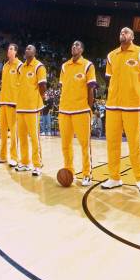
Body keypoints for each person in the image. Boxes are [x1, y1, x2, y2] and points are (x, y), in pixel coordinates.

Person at [101, 27, 140, 191]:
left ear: (132, 36)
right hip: (113, 105)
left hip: (133, 106)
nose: (123, 33)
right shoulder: (111, 55)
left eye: (126, 32)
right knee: (112, 143)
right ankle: (114, 177)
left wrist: (139, 97)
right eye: (121, 32)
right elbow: (110, 80)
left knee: (135, 143)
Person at [58, 41, 97, 187]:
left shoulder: (88, 65)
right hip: (64, 110)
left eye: (77, 45)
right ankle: (69, 171)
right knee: (65, 145)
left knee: (84, 145)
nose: (74, 47)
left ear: (82, 49)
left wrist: (88, 108)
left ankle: (87, 174)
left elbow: (91, 90)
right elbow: (63, 88)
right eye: (73, 45)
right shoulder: (64, 66)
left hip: (81, 110)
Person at [16, 45, 47, 176]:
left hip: (32, 108)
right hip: (21, 107)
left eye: (30, 49)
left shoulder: (39, 66)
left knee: (34, 138)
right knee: (22, 137)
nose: (27, 50)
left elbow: (42, 86)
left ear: (34, 52)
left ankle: (37, 165)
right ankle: (24, 162)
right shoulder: (21, 67)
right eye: (26, 48)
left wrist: (36, 100)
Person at [0, 44, 21, 167]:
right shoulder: (4, 66)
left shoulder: (20, 65)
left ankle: (14, 157)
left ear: (15, 52)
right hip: (3, 102)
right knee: (3, 132)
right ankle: (3, 156)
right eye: (8, 48)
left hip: (13, 103)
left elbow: (23, 85)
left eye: (11, 49)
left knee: (14, 132)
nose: (8, 50)